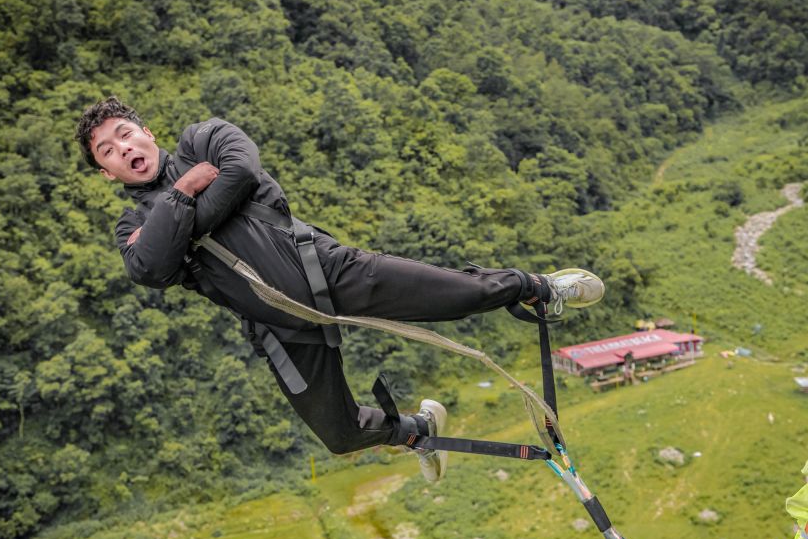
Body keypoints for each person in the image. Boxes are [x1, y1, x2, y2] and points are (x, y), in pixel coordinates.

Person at [75, 96, 604, 483]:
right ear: (106, 173)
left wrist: (176, 229)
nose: (123, 149)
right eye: (108, 151)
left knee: (453, 294)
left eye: (125, 133)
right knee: (340, 435)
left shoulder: (200, 139)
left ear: (145, 129)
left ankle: (539, 287)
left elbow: (241, 170)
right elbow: (148, 270)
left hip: (323, 268)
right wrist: (187, 191)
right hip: (280, 327)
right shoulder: (130, 229)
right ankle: (418, 429)